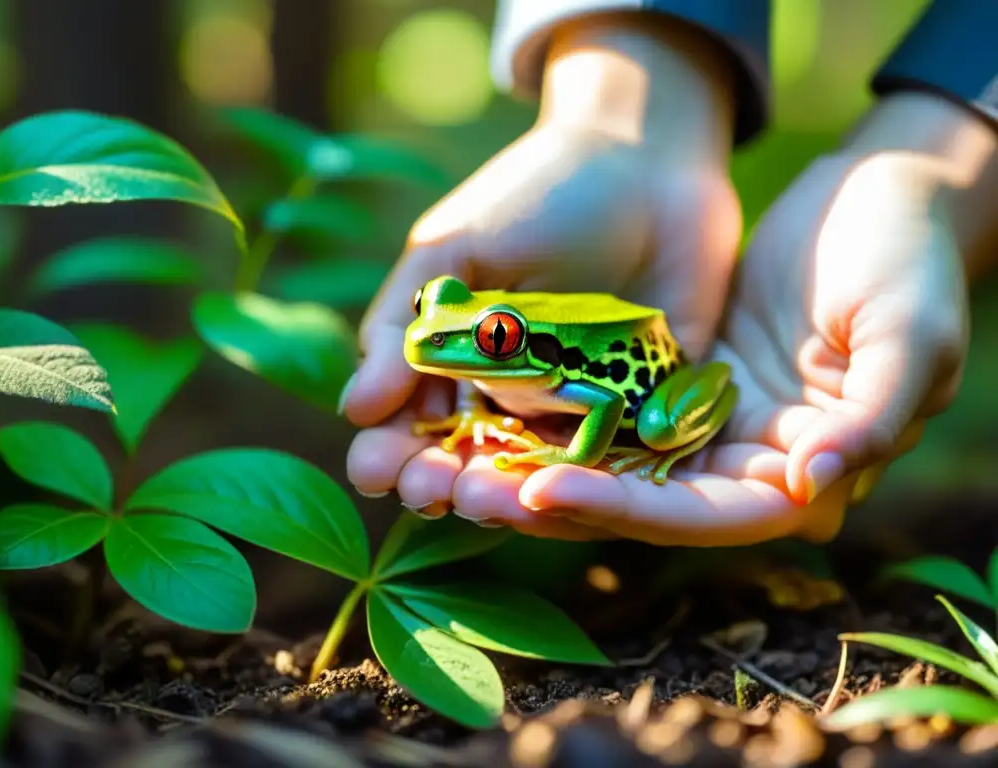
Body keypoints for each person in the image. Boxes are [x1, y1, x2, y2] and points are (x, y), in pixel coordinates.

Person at [339, 0, 998, 548]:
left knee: (653, 428)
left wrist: (929, 174)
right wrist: (614, 119)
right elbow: (463, 356)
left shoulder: (565, 379)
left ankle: (655, 446)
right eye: (435, 306)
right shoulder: (483, 355)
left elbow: (600, 401)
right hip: (574, 337)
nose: (433, 337)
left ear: (514, 342)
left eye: (495, 341)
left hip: (654, 380)